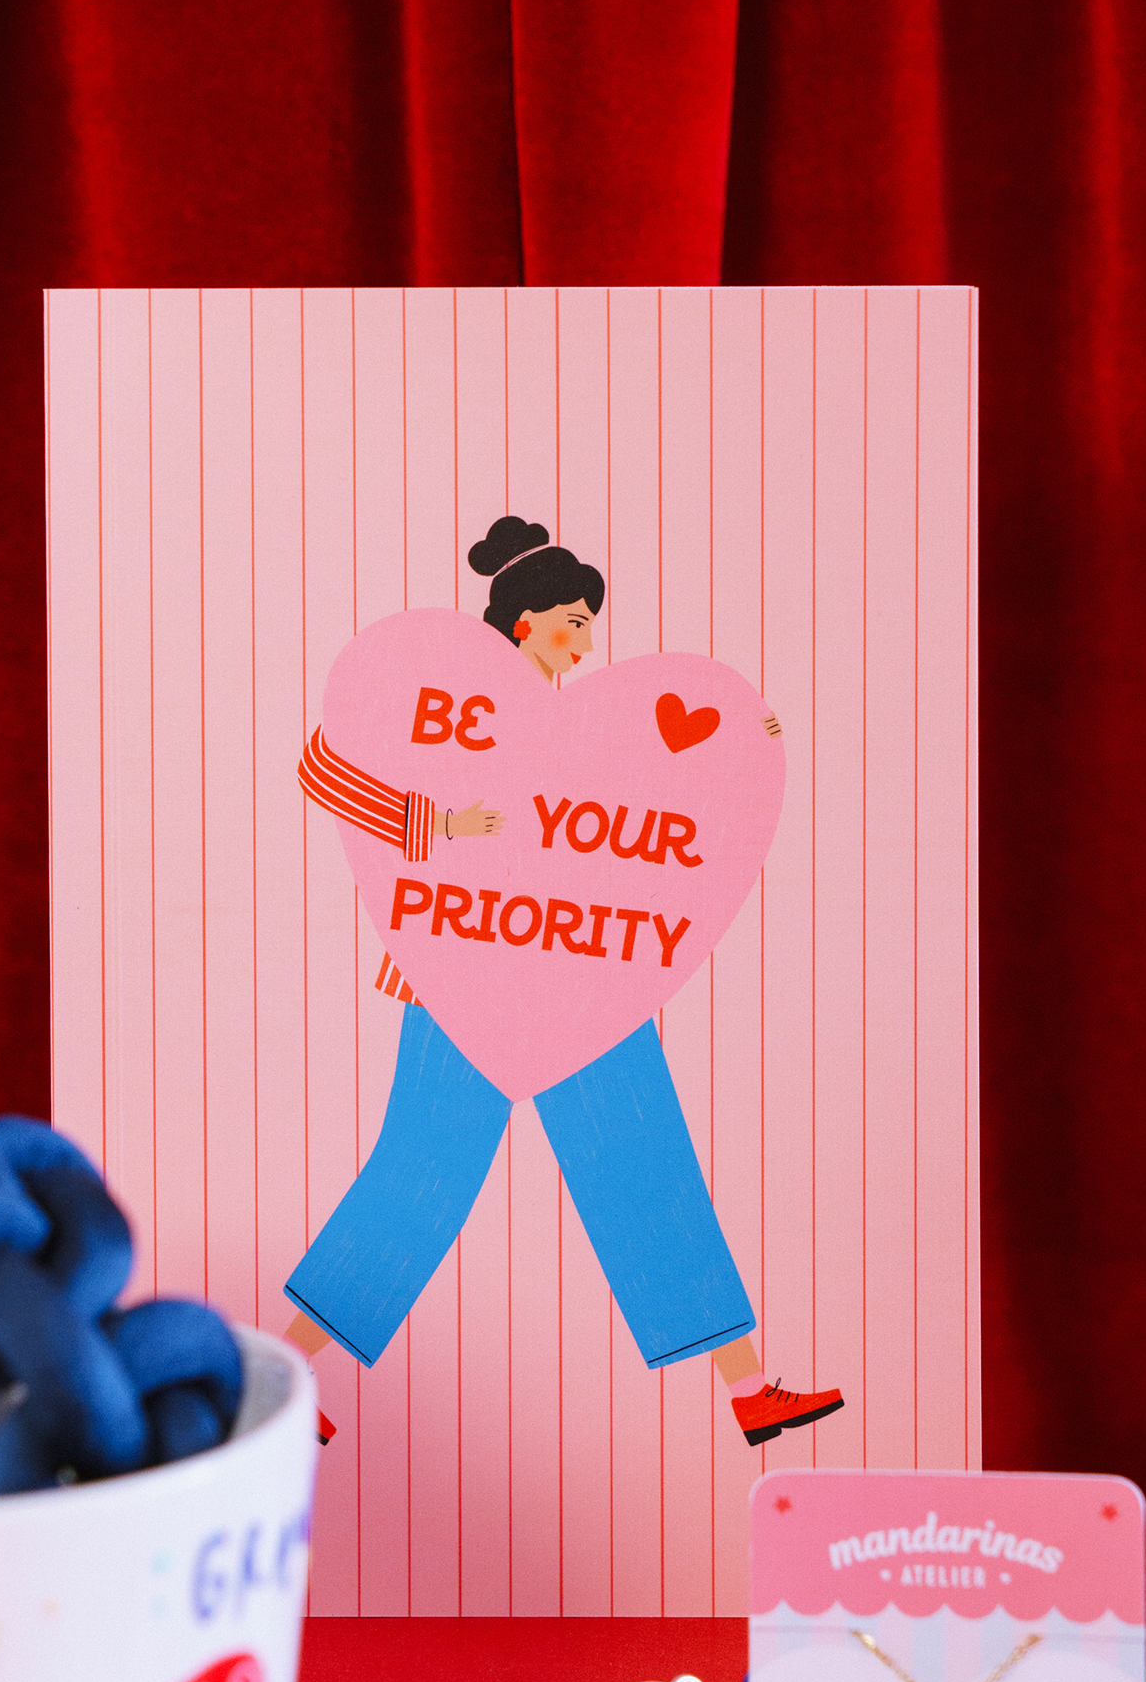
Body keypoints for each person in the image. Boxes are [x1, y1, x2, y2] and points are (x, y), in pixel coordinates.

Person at [284, 515, 843, 1449]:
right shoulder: (441, 703)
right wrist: (437, 825)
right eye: (573, 622)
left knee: (647, 1165)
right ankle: (284, 1371)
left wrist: (750, 744)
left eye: (588, 625)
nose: (584, 643)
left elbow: (662, 817)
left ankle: (749, 1388)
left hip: (586, 984)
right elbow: (322, 766)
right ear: (525, 620)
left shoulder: (592, 729)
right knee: (419, 1175)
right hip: (459, 980)